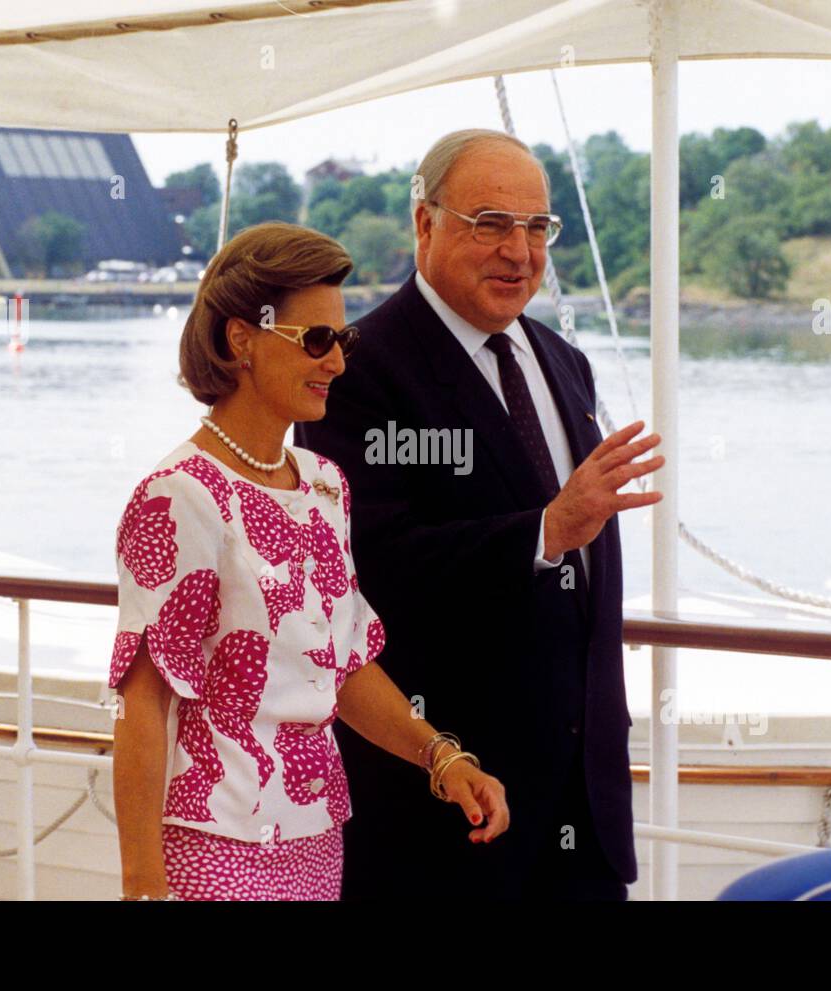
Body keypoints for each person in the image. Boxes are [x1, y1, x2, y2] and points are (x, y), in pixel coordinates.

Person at [296, 130, 664, 900]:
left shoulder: (565, 362)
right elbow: (372, 568)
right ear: (424, 224)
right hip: (439, 816)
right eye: (492, 222)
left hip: (584, 814)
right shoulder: (356, 372)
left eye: (537, 228)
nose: (520, 252)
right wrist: (546, 532)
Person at [110, 221, 509, 901]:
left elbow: (344, 664)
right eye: (317, 341)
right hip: (215, 844)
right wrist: (143, 884)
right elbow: (142, 701)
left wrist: (441, 756)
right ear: (242, 339)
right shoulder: (181, 494)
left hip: (317, 840)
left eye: (342, 341)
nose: (338, 363)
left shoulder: (325, 486)